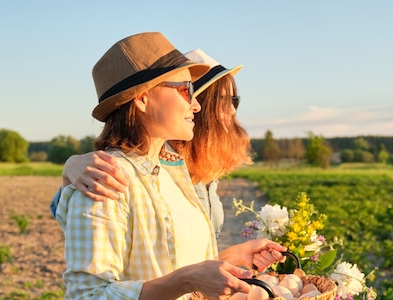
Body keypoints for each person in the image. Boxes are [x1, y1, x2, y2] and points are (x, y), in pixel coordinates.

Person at [54, 32, 285, 300]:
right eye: (183, 89)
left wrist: (230, 258)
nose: (195, 103)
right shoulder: (106, 178)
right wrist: (188, 280)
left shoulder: (173, 172)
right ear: (142, 98)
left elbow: (171, 265)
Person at [50, 48, 251, 241]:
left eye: (235, 100)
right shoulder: (151, 164)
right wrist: (70, 169)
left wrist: (232, 261)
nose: (232, 110)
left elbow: (188, 259)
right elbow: (77, 215)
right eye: (224, 99)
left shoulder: (203, 165)